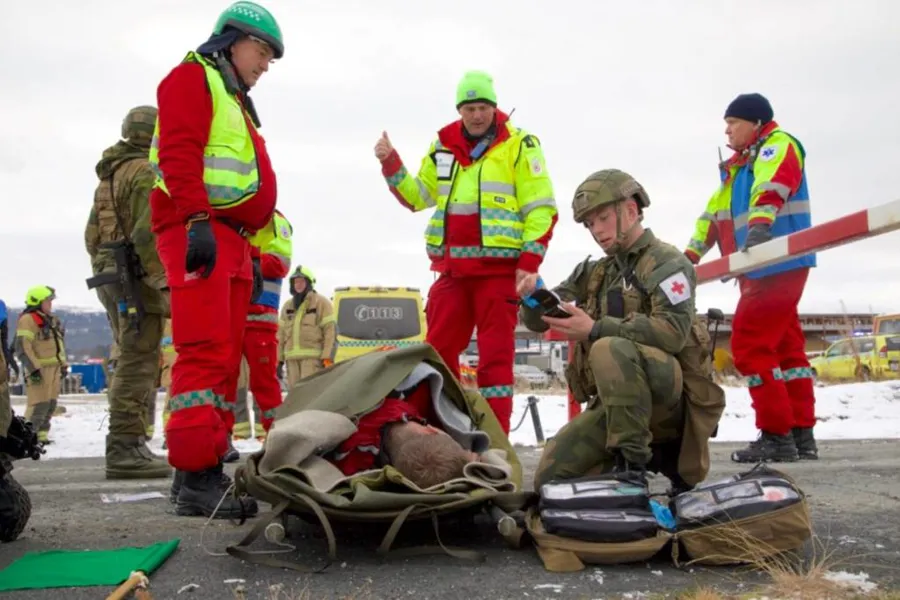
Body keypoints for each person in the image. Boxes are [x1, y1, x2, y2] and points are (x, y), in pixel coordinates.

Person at [148, 1, 284, 518]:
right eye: (262, 52)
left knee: (225, 356)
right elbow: (178, 154)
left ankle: (197, 473)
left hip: (229, 236)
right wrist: (195, 220)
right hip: (199, 228)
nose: (265, 64)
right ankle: (197, 474)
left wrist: (245, 250)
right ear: (231, 40)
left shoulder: (231, 95)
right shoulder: (191, 79)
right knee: (204, 350)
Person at [374, 70, 559, 434]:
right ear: (460, 110)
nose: (477, 116)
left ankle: (496, 444)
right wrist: (390, 163)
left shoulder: (520, 145)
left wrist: (529, 262)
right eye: (470, 108)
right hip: (453, 273)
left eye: (483, 108)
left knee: (496, 366)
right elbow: (418, 198)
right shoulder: (442, 146)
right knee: (436, 354)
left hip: (498, 275)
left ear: (495, 107)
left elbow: (541, 208)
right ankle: (435, 434)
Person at [520, 169, 725, 493]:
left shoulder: (668, 262)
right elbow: (537, 322)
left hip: (669, 402)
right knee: (550, 480)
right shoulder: (595, 271)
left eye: (602, 218)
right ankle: (615, 474)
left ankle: (632, 472)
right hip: (616, 404)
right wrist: (532, 295)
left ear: (630, 210)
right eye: (590, 224)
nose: (596, 230)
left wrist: (594, 328)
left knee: (606, 346)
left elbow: (672, 332)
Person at [684, 93, 817, 463]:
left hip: (775, 262)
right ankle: (800, 433)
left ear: (756, 123)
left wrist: (760, 227)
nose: (727, 130)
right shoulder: (737, 170)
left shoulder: (776, 147)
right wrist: (685, 259)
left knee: (750, 344)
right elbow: (710, 221)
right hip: (762, 266)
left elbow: (771, 188)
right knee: (787, 349)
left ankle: (776, 433)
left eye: (733, 122)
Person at [85, 104, 171, 480]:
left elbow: (91, 236)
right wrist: (162, 281)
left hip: (109, 273)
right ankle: (124, 447)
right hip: (134, 275)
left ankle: (131, 443)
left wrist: (105, 265)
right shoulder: (144, 172)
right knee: (139, 360)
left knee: (132, 357)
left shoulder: (109, 175)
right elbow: (146, 233)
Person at [240, 208, 292, 436]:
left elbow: (279, 263)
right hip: (229, 317)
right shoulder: (227, 216)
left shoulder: (275, 220)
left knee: (265, 385)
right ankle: (220, 440)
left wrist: (241, 254)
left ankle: (276, 438)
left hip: (260, 320)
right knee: (223, 384)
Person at [14, 286, 69, 445]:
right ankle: (26, 438)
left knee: (50, 404)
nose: (50, 304)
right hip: (39, 370)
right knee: (38, 405)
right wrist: (33, 369)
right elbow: (23, 346)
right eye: (47, 301)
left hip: (54, 369)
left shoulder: (52, 319)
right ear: (37, 302)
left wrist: (63, 365)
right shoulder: (28, 320)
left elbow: (59, 345)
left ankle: (41, 435)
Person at [277, 266, 336, 386]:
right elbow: (280, 335)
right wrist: (278, 360)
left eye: (301, 281)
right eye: (295, 281)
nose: (298, 284)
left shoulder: (321, 303)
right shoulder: (287, 306)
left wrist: (327, 358)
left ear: (309, 283)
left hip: (313, 360)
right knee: (294, 395)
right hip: (291, 360)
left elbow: (330, 331)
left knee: (309, 394)